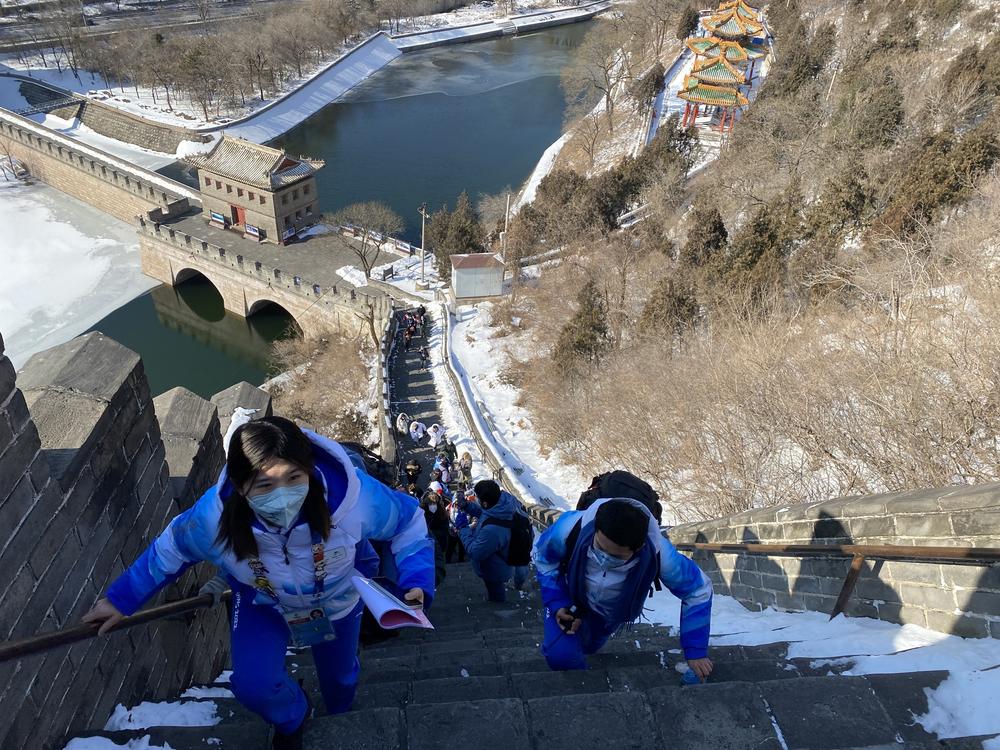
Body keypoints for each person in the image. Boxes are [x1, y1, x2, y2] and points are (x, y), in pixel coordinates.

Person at [82, 417, 435, 750]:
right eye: (265, 485)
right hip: (262, 604)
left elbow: (407, 520)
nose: (283, 494)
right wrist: (119, 600)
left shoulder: (350, 501)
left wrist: (416, 579)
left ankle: (338, 723)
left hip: (337, 602)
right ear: (240, 485)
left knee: (341, 680)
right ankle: (294, 717)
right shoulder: (213, 518)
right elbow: (170, 551)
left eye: (295, 477)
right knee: (253, 685)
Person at [533, 497, 712, 677]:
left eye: (616, 557)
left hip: (611, 613)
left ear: (639, 548)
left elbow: (698, 590)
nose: (604, 558)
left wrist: (696, 650)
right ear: (596, 528)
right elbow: (544, 560)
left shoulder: (659, 555)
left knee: (589, 646)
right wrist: (558, 604)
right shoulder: (569, 529)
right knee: (560, 656)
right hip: (569, 600)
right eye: (600, 547)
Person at [454, 480, 530, 602]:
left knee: (495, 590)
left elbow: (475, 552)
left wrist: (463, 528)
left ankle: (498, 606)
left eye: (478, 498)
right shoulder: (504, 503)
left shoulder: (491, 531)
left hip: (495, 568)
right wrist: (467, 506)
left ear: (484, 503)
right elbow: (486, 513)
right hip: (506, 555)